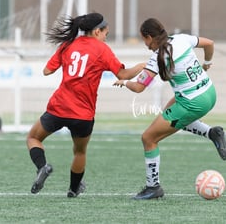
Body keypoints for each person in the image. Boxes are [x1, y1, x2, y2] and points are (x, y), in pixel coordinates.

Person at [27, 12, 144, 197]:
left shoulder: (67, 44)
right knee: (79, 152)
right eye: (106, 32)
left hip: (58, 107)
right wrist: (143, 65)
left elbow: (47, 71)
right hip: (83, 114)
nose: (106, 36)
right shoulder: (102, 50)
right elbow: (123, 75)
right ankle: (73, 190)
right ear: (97, 31)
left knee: (33, 138)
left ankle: (42, 167)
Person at [113, 18, 226, 200]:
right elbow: (210, 44)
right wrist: (207, 63)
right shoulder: (181, 38)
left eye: (144, 40)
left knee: (148, 138)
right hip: (209, 92)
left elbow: (138, 87)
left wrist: (124, 82)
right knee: (168, 114)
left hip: (193, 102)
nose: (145, 45)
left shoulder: (158, 57)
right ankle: (212, 133)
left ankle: (153, 187)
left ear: (150, 37)